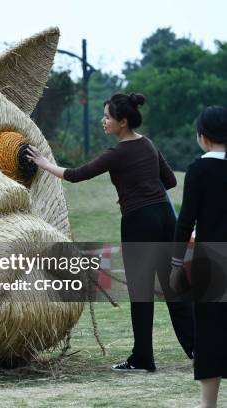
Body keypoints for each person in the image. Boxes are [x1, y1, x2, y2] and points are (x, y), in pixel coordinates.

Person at [26, 93, 194, 372]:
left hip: (139, 221)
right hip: (165, 219)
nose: (103, 121)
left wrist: (44, 163)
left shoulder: (116, 154)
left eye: (107, 117)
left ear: (123, 122)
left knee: (141, 292)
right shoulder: (148, 144)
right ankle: (196, 348)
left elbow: (77, 175)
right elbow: (170, 180)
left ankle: (142, 358)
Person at [170, 106, 227, 408]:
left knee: (209, 331)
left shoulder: (199, 169)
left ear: (202, 137)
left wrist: (176, 263)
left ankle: (209, 404)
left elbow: (186, 220)